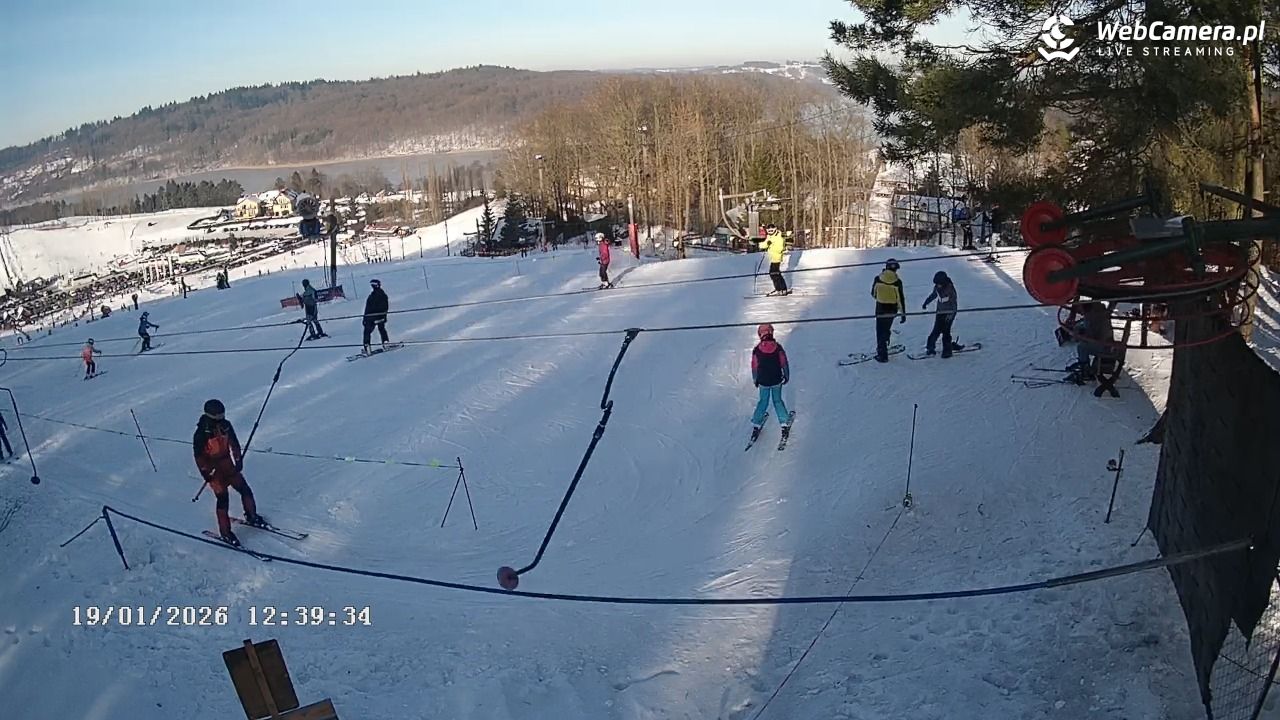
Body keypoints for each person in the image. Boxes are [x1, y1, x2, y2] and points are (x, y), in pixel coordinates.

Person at [193, 399, 265, 546]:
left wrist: (238, 460)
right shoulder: (201, 433)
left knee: (245, 490)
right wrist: (205, 472)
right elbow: (199, 457)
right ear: (210, 415)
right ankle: (226, 533)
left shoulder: (226, 425)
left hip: (228, 465)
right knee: (223, 500)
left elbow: (234, 443)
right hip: (214, 471)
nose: (222, 418)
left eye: (222, 414)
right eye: (218, 416)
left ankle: (252, 515)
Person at [750, 323, 793, 440]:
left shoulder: (757, 350)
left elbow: (754, 367)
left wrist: (755, 379)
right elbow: (784, 363)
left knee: (763, 401)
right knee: (777, 400)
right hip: (776, 380)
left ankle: (756, 422)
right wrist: (787, 375)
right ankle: (784, 422)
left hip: (763, 381)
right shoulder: (778, 348)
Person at [870, 259, 907, 362]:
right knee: (886, 328)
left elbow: (873, 293)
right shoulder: (897, 282)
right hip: (892, 309)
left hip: (880, 307)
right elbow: (900, 299)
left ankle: (882, 355)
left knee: (879, 330)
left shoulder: (878, 279)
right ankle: (885, 342)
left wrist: (881, 296)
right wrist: (903, 314)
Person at [922, 271, 965, 357]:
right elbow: (934, 295)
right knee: (936, 330)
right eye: (936, 284)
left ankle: (947, 350)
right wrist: (926, 302)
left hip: (949, 313)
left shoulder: (950, 289)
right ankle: (930, 348)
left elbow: (954, 304)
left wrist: (950, 315)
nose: (938, 285)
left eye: (939, 284)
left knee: (946, 331)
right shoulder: (937, 287)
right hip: (940, 312)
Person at [1068, 302, 1115, 379]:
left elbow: (1090, 337)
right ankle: (1083, 364)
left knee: (1081, 347)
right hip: (1107, 342)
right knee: (1082, 343)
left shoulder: (1091, 317)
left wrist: (1076, 335)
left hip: (1104, 346)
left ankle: (1085, 370)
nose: (1080, 312)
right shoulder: (1099, 311)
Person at [758, 224, 790, 296]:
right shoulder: (770, 237)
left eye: (772, 230)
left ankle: (779, 289)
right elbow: (764, 245)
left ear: (775, 229)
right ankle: (783, 289)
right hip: (772, 258)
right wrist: (761, 244)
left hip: (777, 257)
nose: (770, 232)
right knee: (776, 273)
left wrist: (770, 244)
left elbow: (780, 248)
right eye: (769, 231)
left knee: (773, 273)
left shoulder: (779, 237)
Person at [362, 278, 390, 354]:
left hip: (374, 318)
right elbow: (367, 309)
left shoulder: (378, 296)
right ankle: (385, 342)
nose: (373, 286)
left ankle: (367, 346)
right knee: (381, 329)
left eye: (373, 285)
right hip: (376, 317)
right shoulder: (375, 296)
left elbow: (384, 308)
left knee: (367, 331)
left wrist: (365, 318)